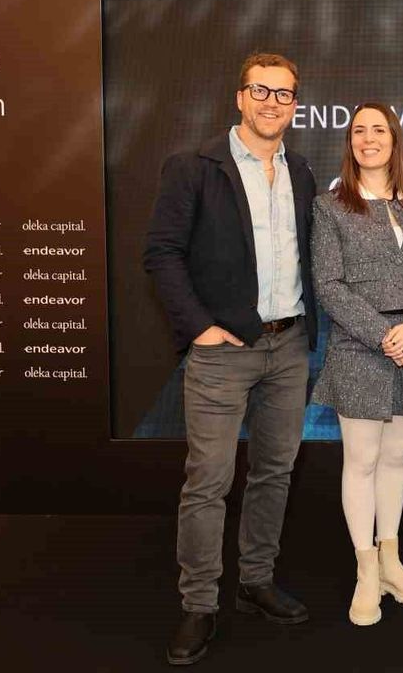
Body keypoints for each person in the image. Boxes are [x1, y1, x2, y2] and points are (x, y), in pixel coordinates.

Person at [144, 52, 316, 666]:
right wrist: (201, 329)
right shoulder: (193, 167)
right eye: (261, 91)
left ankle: (255, 581)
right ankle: (198, 604)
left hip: (289, 346)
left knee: (274, 471)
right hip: (223, 353)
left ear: (295, 105)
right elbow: (162, 254)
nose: (273, 103)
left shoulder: (300, 170)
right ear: (240, 97)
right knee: (209, 481)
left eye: (284, 94)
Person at [310, 103, 403, 626]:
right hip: (359, 348)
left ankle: (392, 564)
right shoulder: (330, 207)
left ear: (394, 140)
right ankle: (366, 571)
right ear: (350, 142)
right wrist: (384, 335)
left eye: (378, 130)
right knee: (362, 461)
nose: (368, 139)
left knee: (395, 459)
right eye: (359, 131)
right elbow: (328, 285)